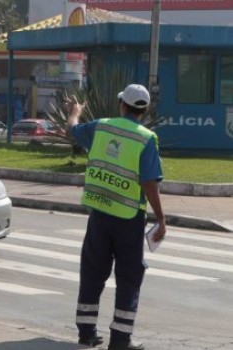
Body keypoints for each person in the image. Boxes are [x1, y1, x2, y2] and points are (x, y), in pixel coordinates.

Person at [66, 84, 167, 350]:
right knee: (129, 277)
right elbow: (149, 183)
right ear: (144, 111)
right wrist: (161, 218)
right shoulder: (146, 138)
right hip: (128, 218)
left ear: (122, 103)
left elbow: (73, 131)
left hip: (99, 214)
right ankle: (121, 339)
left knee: (92, 272)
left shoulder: (101, 127)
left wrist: (75, 112)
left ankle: (86, 333)